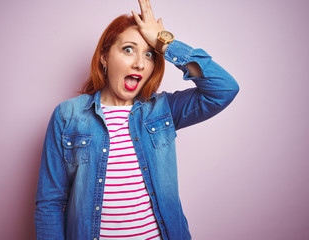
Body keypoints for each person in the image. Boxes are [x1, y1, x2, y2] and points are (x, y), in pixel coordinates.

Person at [34, 0, 239, 239]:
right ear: (104, 57)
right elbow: (49, 203)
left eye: (149, 54)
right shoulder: (67, 116)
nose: (140, 63)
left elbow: (223, 89)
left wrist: (166, 44)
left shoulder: (163, 110)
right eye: (128, 49)